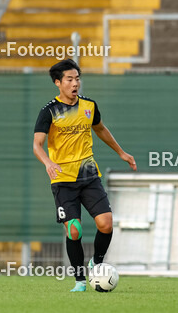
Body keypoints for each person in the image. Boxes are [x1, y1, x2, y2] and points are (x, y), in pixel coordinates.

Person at [32, 60, 136, 292]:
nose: (75, 83)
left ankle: (96, 263)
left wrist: (121, 152)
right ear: (58, 83)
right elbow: (37, 145)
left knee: (106, 224)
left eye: (77, 78)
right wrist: (48, 162)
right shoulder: (49, 111)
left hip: (89, 175)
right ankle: (80, 281)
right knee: (74, 229)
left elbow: (100, 129)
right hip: (63, 180)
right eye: (69, 79)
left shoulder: (89, 105)